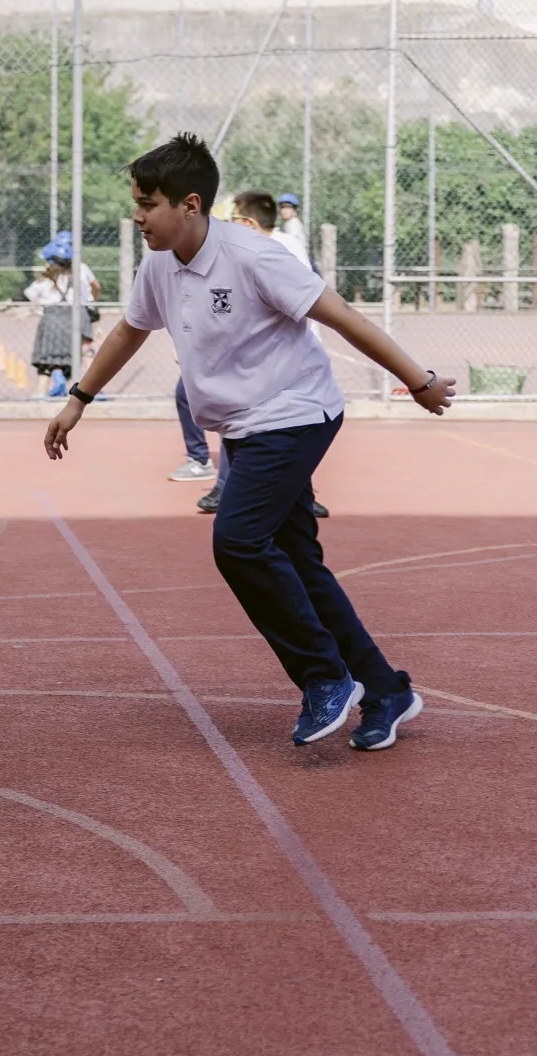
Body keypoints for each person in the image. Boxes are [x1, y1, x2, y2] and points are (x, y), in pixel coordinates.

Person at [46, 133, 455, 753]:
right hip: (244, 426)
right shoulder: (159, 262)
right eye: (135, 203)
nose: (137, 217)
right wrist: (79, 398)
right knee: (297, 563)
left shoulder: (254, 256)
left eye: (147, 204)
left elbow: (344, 317)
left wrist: (417, 381)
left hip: (295, 413)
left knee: (237, 541)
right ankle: (384, 688)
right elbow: (131, 331)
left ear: (189, 204)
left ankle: (324, 678)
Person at [195, 190, 330, 520]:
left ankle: (229, 486)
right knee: (277, 426)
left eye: (233, 221)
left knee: (247, 420)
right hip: (280, 354)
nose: (227, 228)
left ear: (248, 222)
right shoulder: (275, 245)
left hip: (282, 355)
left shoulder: (270, 251)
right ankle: (299, 496)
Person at [25, 231, 95, 398]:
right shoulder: (78, 275)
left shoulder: (45, 280)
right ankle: (75, 390)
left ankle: (42, 391)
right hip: (74, 317)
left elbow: (27, 294)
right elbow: (88, 297)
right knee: (74, 355)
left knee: (47, 356)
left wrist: (8, 303)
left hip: (52, 318)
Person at [277, 193, 308, 264]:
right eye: (283, 207)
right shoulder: (288, 223)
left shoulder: (293, 224)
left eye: (288, 207)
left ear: (294, 210)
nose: (285, 210)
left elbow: (291, 246)